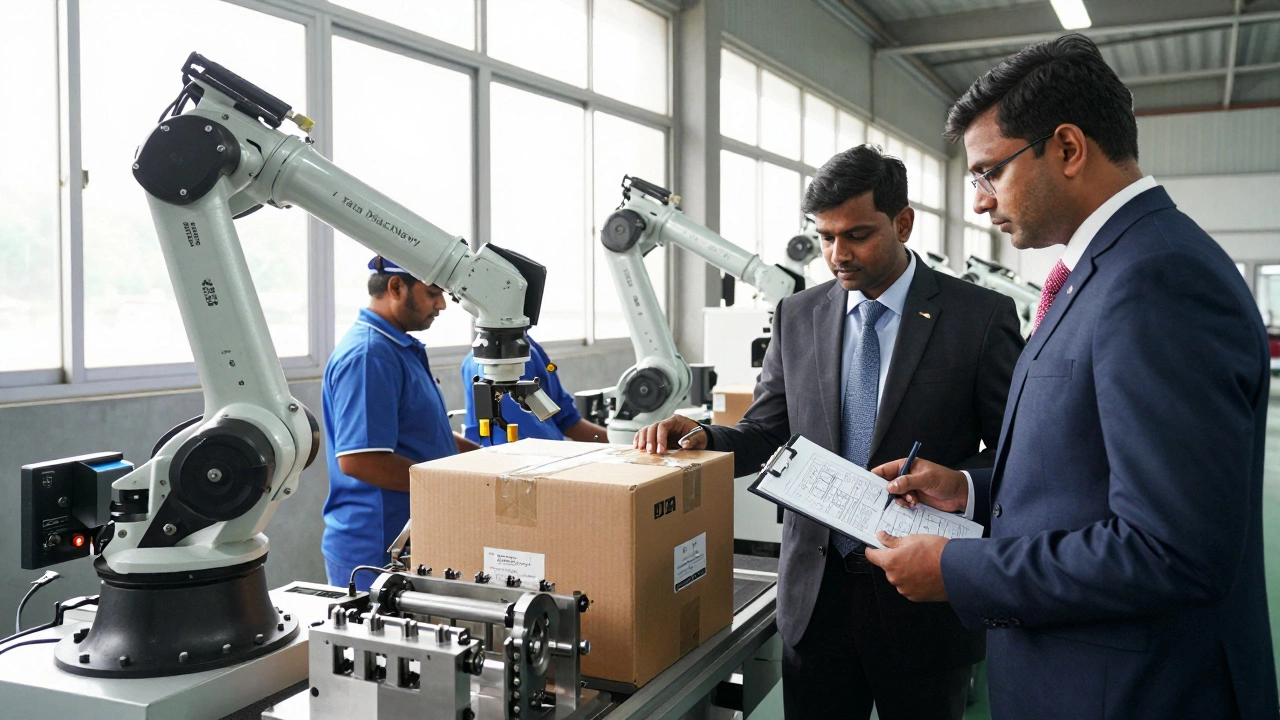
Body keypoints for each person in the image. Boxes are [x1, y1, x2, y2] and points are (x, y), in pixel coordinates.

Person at [864, 35, 1278, 719]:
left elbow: (1169, 550)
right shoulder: (1105, 271)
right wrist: (967, 490)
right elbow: (1091, 473)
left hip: (1134, 693)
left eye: (989, 172)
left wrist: (957, 570)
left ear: (1067, 147)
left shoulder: (1156, 279)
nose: (978, 202)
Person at [635, 145, 1023, 720]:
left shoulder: (978, 318)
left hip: (919, 596)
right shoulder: (799, 314)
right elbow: (767, 429)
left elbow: (1020, 455)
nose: (837, 255)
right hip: (816, 598)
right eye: (824, 237)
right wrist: (704, 437)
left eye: (858, 235)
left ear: (903, 222)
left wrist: (961, 480)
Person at [321, 256, 480, 592]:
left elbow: (423, 435)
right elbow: (360, 460)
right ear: (395, 287)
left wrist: (485, 461)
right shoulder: (370, 356)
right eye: (433, 293)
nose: (441, 305)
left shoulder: (399, 348)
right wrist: (447, 488)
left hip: (410, 538)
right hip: (377, 549)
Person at [459, 334, 607, 444]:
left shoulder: (529, 351)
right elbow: (525, 438)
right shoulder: (488, 363)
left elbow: (565, 419)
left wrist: (619, 445)